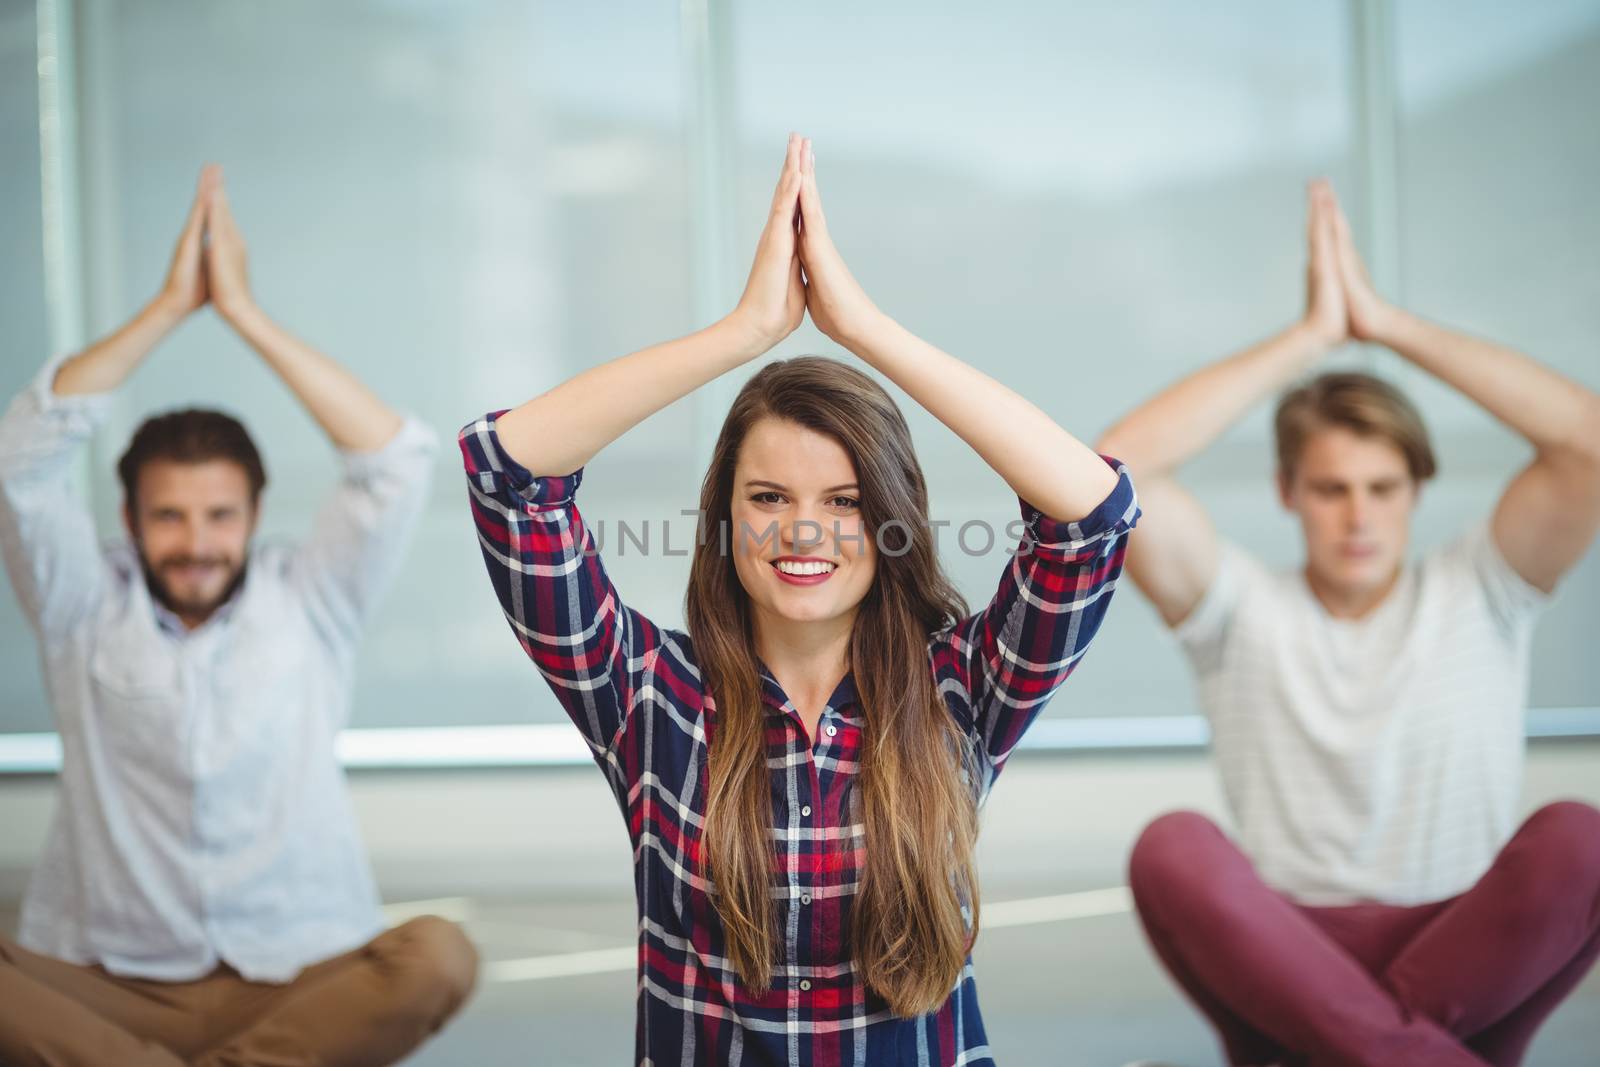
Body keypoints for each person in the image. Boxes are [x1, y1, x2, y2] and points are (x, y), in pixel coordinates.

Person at [460, 133, 1139, 1066]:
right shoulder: (648, 693)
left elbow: (1094, 517)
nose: (804, 533)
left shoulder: (961, 691)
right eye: (769, 497)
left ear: (892, 519)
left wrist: (863, 331)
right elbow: (508, 475)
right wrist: (743, 333)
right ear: (725, 519)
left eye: (847, 502)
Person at [1101, 181, 1600, 1066]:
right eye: (1332, 489)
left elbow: (1586, 441)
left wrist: (1387, 324)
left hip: (1468, 960)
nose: (1358, 516)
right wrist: (1306, 340)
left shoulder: (1483, 586)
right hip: (1288, 964)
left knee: (1581, 836)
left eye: (1382, 488)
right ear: (1289, 491)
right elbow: (1106, 469)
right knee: (1171, 846)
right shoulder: (1237, 609)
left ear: (1417, 489)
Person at [0, 165, 477, 1066]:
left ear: (255, 518)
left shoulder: (313, 598)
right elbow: (20, 461)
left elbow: (396, 460)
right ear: (130, 519)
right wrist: (170, 309)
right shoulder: (78, 605)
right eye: (169, 515)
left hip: (298, 983)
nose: (196, 541)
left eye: (219, 515)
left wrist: (244, 313)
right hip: (107, 985)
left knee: (438, 954)